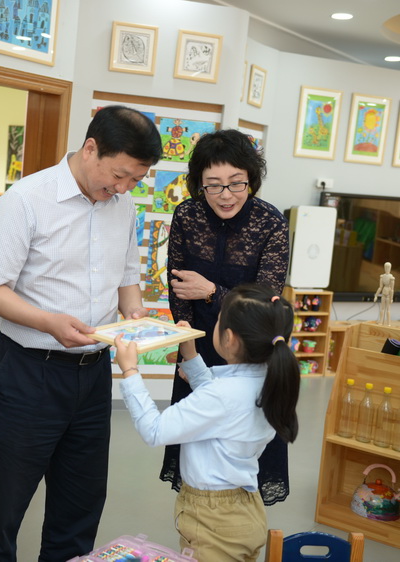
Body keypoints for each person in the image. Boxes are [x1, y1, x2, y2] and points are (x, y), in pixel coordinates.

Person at [0, 105, 163, 562]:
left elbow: (127, 276)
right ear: (90, 148)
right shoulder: (26, 199)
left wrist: (135, 313)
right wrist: (48, 322)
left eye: (135, 180)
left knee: (79, 507)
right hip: (28, 371)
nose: (123, 188)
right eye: (118, 175)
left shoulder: (123, 205)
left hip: (92, 374)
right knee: (4, 506)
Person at [115, 284, 300, 562]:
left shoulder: (222, 395)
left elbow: (154, 430)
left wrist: (130, 371)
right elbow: (218, 401)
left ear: (229, 338)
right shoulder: (269, 380)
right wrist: (190, 355)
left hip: (213, 520)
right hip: (246, 509)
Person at [160, 128, 291, 506]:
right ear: (199, 183)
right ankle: (198, 524)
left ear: (251, 179)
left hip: (250, 354)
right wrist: (186, 349)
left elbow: (264, 306)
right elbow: (178, 288)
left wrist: (210, 292)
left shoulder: (270, 223)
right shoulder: (187, 215)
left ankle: (239, 526)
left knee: (244, 459)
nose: (226, 195)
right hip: (200, 351)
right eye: (213, 185)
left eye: (236, 183)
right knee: (197, 457)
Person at [374, 261, 395, 326]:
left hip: (388, 294)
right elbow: (380, 287)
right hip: (383, 294)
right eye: (386, 267)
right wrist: (376, 295)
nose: (387, 268)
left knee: (388, 309)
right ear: (384, 268)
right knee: (382, 308)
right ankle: (381, 321)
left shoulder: (391, 277)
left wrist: (391, 298)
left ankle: (388, 323)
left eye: (388, 267)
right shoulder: (382, 276)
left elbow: (392, 289)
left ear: (390, 268)